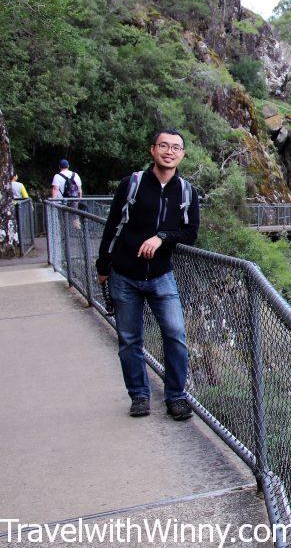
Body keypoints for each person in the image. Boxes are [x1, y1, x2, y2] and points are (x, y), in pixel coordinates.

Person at [96, 130, 200, 420]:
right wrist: (103, 268)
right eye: (164, 146)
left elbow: (190, 233)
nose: (170, 151)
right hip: (124, 275)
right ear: (153, 149)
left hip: (161, 275)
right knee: (130, 340)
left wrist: (162, 237)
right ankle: (139, 396)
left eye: (176, 147)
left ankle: (176, 397)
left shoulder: (187, 192)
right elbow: (112, 226)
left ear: (182, 154)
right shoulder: (132, 184)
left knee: (176, 335)